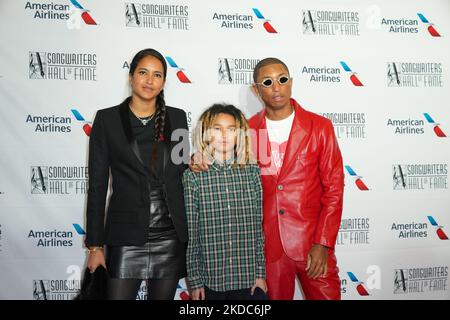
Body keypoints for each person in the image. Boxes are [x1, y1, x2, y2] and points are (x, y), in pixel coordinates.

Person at [191, 58, 344, 300]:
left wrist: (323, 244)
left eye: (282, 79)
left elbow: (334, 189)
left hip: (312, 244)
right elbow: (221, 160)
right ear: (256, 89)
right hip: (268, 250)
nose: (276, 87)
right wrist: (197, 157)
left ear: (290, 83)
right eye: (267, 81)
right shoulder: (247, 131)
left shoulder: (319, 127)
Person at [84, 48, 190, 300]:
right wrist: (95, 246)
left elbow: (181, 172)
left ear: (164, 82)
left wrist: (195, 163)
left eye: (157, 75)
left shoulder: (177, 118)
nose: (149, 80)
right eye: (143, 72)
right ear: (131, 76)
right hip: (124, 235)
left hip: (170, 235)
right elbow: (97, 185)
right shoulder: (107, 119)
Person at [183, 104, 267, 300]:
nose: (224, 135)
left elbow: (257, 228)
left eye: (231, 129)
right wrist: (195, 281)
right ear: (205, 133)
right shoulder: (193, 177)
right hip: (212, 280)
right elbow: (192, 233)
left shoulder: (252, 172)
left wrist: (260, 273)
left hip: (248, 280)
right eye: (217, 128)